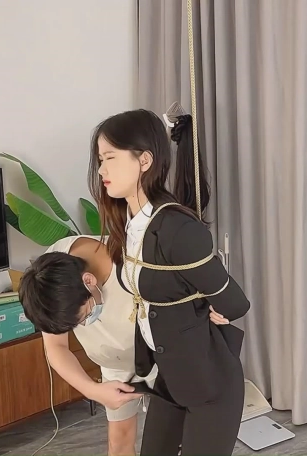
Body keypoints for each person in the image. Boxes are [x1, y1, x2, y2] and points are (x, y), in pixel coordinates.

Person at [88, 108, 250, 455]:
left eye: (110, 158)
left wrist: (213, 310)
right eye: (100, 160)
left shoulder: (178, 229)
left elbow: (235, 303)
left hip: (210, 385)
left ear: (144, 160)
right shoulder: (129, 224)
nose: (101, 170)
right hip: (170, 378)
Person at [18, 234, 229, 455]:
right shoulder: (48, 281)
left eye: (85, 316)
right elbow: (56, 347)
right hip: (116, 366)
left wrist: (210, 305)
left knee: (179, 440)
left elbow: (194, 289)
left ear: (88, 281)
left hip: (164, 359)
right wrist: (92, 390)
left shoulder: (136, 259)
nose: (86, 324)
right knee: (119, 443)